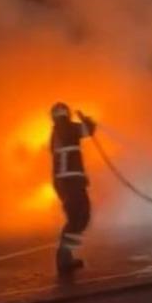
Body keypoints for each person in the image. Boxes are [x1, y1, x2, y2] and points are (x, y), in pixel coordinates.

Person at [50, 103, 96, 276]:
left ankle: (66, 256)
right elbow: (87, 131)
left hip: (67, 182)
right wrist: (87, 121)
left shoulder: (60, 131)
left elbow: (84, 131)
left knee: (78, 217)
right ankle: (63, 257)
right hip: (70, 182)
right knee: (79, 217)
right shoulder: (66, 129)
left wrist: (87, 123)